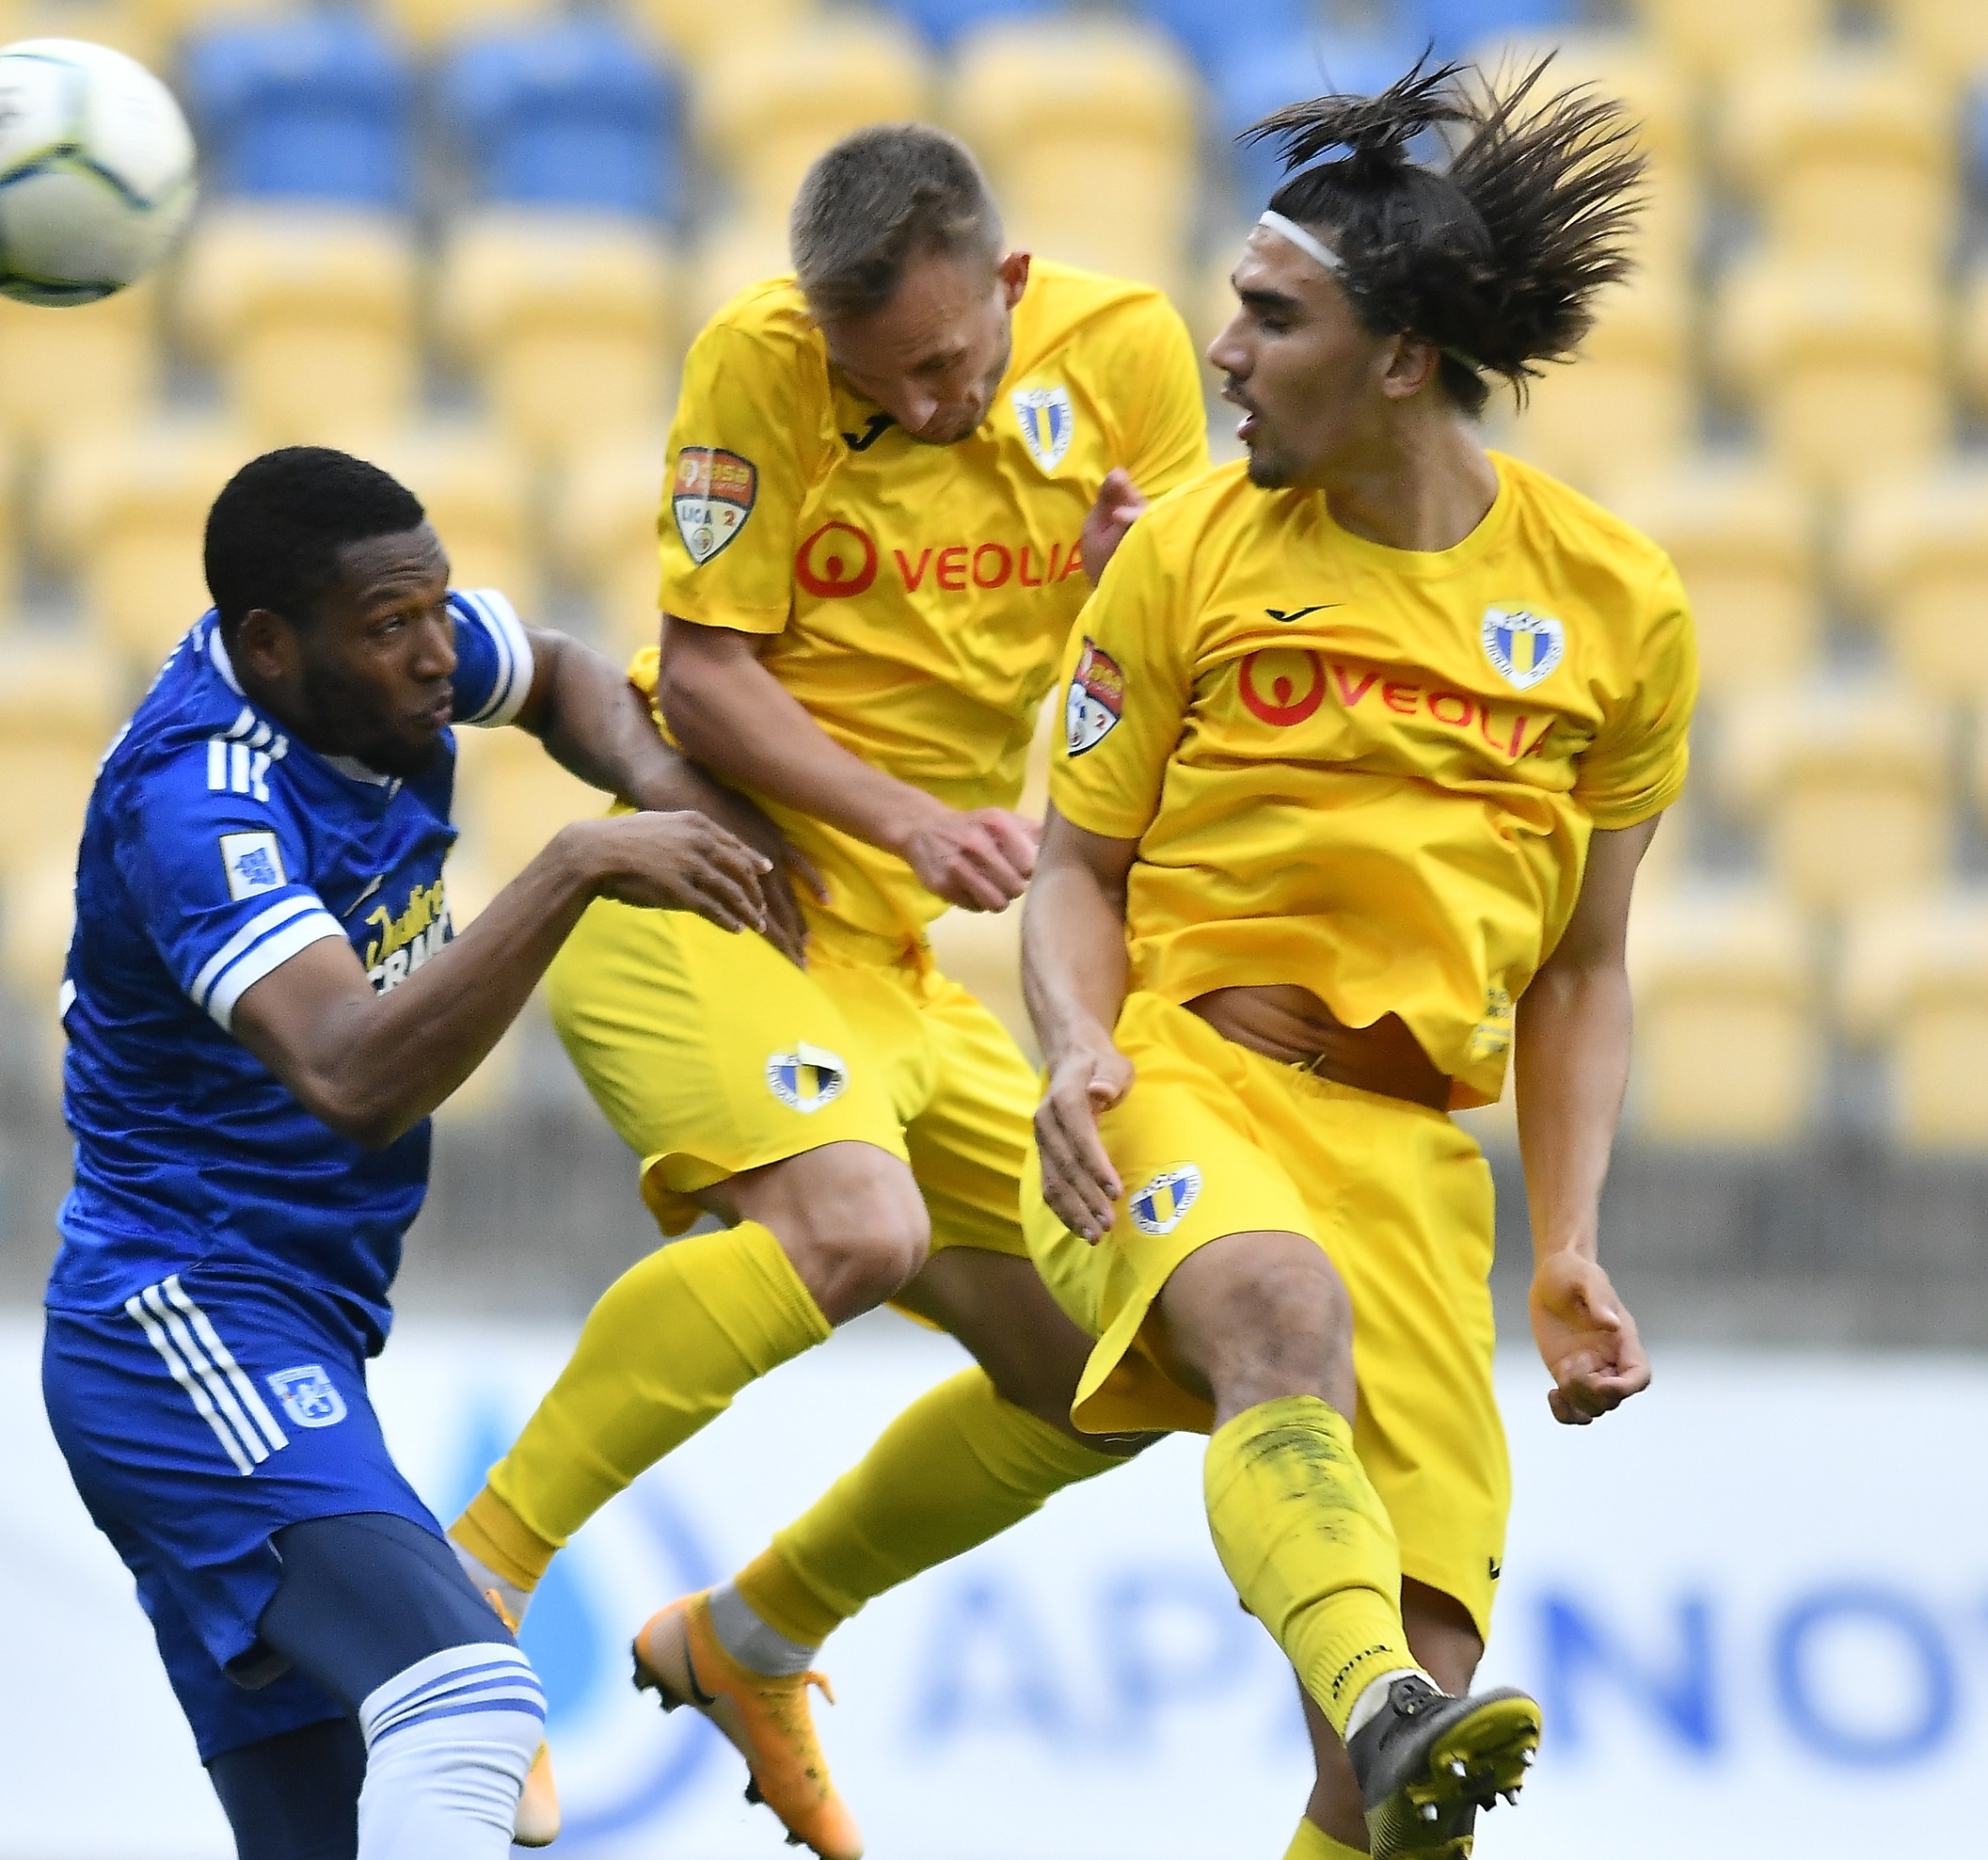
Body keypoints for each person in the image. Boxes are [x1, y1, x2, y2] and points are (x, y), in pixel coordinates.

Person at [443, 123, 1210, 1857]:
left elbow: (1170, 668)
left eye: (948, 363)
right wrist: (903, 819)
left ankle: (755, 1630)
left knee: (1114, 1370)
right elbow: (703, 680)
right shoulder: (759, 365)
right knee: (852, 1220)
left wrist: (1130, 589)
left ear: (1008, 287)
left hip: (889, 964)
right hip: (706, 895)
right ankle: (468, 1588)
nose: (927, 405)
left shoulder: (1131, 354)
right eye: (887, 381)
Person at [1022, 61, 1686, 1860]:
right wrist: (1079, 1041)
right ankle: (1388, 1695)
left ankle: (1390, 1724)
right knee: (1274, 1327)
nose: (1219, 350)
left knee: (1396, 1812)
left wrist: (1564, 1243)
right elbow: (1074, 868)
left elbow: (1581, 967)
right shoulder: (1179, 557)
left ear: (1400, 358)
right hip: (1180, 1079)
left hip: (1413, 1165)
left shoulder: (1620, 610)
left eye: (1267, 313)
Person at [40, 446, 789, 1860]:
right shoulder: (199, 804)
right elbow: (348, 1074)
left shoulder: (388, 660)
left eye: (439, 607)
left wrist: (657, 785)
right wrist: (571, 865)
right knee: (469, 1704)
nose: (439, 652)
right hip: (180, 1327)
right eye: (393, 627)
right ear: (270, 645)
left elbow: (561, 667)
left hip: (294, 1332)